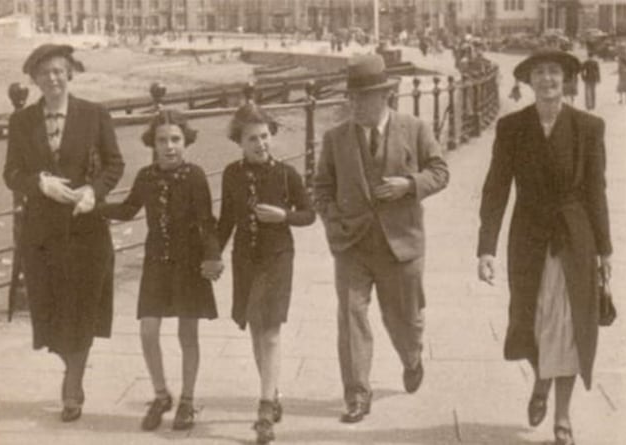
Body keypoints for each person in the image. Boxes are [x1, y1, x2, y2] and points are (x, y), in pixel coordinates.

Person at [477, 48, 612, 445]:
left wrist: (605, 250)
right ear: (529, 81)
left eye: (555, 73)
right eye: (540, 73)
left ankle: (563, 416)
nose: (548, 80)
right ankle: (540, 379)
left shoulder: (589, 127)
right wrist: (486, 248)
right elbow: (496, 189)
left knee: (571, 327)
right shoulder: (512, 128)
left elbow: (596, 191)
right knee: (531, 322)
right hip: (529, 239)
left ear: (567, 79)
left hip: (575, 239)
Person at [314, 54, 449, 424]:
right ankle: (357, 394)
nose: (354, 105)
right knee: (351, 316)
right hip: (352, 244)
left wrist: (409, 184)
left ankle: (412, 356)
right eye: (351, 99)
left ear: (384, 97)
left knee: (404, 319)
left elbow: (440, 171)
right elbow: (321, 187)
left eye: (362, 98)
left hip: (401, 244)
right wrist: (331, 217)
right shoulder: (335, 138)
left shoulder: (415, 129)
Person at [3, 44, 125, 422]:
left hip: (86, 231)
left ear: (70, 73)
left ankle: (72, 385)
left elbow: (114, 164)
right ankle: (70, 366)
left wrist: (94, 192)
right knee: (51, 312)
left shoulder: (95, 114)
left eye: (59, 71)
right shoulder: (22, 122)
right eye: (44, 74)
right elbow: (11, 174)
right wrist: (39, 184)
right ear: (34, 80)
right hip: (41, 236)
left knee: (82, 310)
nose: (52, 79)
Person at [98, 110, 223, 431]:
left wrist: (212, 257)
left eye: (176, 139)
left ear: (186, 141)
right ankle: (161, 394)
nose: (169, 146)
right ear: (152, 144)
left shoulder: (195, 176)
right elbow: (127, 210)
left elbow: (207, 222)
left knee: (187, 335)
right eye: (162, 140)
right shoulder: (146, 177)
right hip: (156, 264)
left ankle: (188, 400)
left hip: (189, 266)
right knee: (147, 331)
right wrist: (92, 208)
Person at [217, 103, 315, 444]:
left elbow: (309, 215)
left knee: (270, 331)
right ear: (239, 142)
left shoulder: (286, 174)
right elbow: (226, 220)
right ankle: (272, 394)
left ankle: (263, 409)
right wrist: (212, 254)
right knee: (257, 331)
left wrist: (284, 216)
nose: (261, 144)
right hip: (245, 258)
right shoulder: (231, 174)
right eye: (252, 139)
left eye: (264, 136)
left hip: (277, 257)